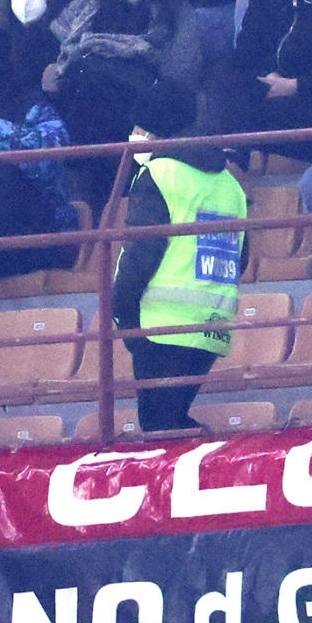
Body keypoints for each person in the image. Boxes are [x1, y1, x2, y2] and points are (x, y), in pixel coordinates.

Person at [108, 85, 243, 434]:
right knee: (171, 423)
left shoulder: (160, 173)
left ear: (152, 129)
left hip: (162, 325)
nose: (134, 136)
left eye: (139, 128)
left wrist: (123, 314)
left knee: (158, 429)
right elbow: (241, 256)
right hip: (211, 328)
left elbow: (139, 254)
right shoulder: (232, 185)